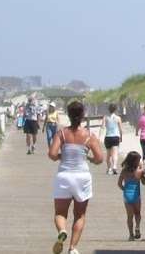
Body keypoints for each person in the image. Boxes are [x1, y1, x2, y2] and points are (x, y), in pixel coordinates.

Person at [48, 101, 104, 254]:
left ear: (68, 115)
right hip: (82, 177)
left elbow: (52, 154)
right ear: (83, 115)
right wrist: (90, 158)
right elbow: (100, 158)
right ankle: (72, 248)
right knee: (80, 214)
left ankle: (62, 230)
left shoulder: (62, 133)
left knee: (60, 213)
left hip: (64, 176)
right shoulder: (89, 135)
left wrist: (62, 156)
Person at [117, 150, 145, 241]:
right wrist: (143, 173)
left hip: (127, 195)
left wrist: (124, 189)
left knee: (129, 216)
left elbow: (119, 184)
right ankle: (137, 227)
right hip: (136, 194)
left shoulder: (124, 171)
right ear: (135, 161)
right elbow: (144, 183)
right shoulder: (139, 171)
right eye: (139, 160)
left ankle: (131, 235)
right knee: (138, 213)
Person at [102, 103, 123, 175]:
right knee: (115, 153)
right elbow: (120, 129)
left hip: (108, 137)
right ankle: (114, 166)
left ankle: (109, 168)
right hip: (115, 136)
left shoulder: (105, 117)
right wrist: (121, 137)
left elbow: (102, 127)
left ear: (109, 109)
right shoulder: (118, 118)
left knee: (108, 154)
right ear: (116, 109)